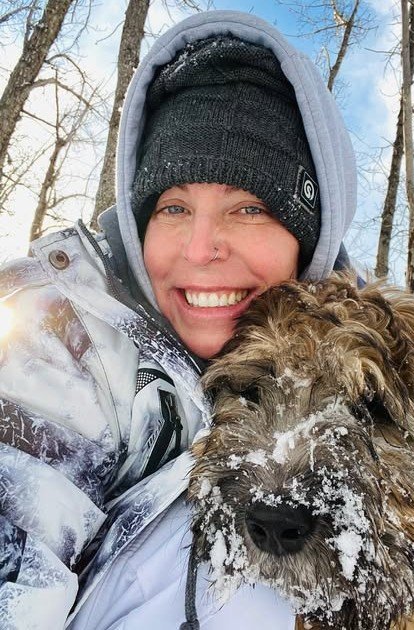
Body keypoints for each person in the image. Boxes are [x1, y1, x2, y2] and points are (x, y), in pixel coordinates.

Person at [0, 11, 358, 627]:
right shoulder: (57, 333)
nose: (199, 249)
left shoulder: (361, 355)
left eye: (248, 207)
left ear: (310, 237)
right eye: (172, 207)